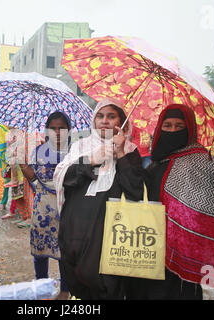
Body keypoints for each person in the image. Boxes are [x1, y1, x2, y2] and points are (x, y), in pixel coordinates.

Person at [127, 104, 214, 300]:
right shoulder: (157, 161)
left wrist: (200, 218)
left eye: (179, 126)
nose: (173, 130)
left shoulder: (202, 161)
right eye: (167, 126)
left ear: (190, 129)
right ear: (160, 128)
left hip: (183, 257)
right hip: (150, 249)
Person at [53, 98, 147, 299]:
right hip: (75, 226)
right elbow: (63, 177)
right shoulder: (81, 146)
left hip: (107, 230)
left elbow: (135, 191)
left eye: (111, 116)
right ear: (93, 120)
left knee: (106, 283)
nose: (104, 121)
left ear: (122, 122)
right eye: (100, 116)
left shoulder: (130, 151)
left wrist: (120, 153)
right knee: (77, 277)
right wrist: (92, 159)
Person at [19, 111, 71, 300]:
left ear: (69, 130)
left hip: (66, 208)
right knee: (40, 250)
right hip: (42, 208)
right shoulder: (38, 152)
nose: (57, 132)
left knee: (65, 250)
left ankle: (65, 290)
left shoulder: (75, 152)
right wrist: (24, 167)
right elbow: (34, 181)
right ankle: (41, 288)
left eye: (61, 128)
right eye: (53, 128)